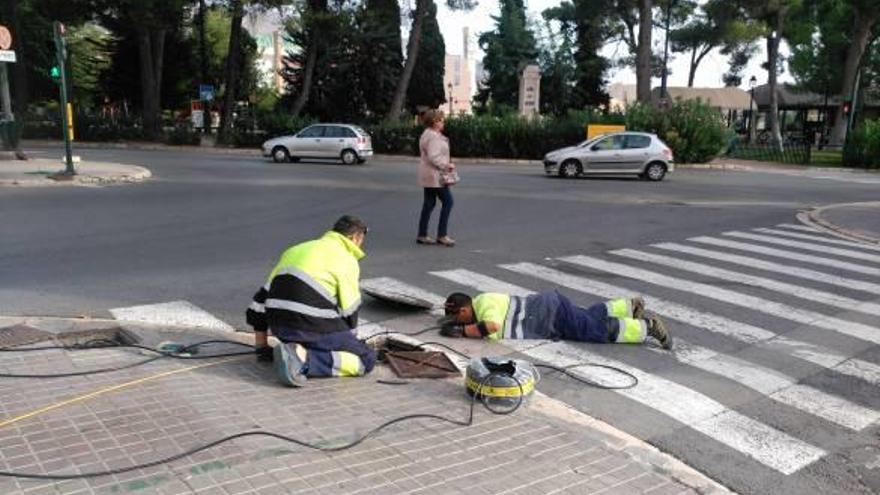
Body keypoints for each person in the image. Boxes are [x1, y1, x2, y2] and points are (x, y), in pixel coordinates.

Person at [246, 215, 376, 387]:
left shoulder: (295, 250)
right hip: (311, 328)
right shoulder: (346, 259)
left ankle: (294, 349)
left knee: (318, 335)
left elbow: (261, 299)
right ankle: (303, 360)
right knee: (366, 359)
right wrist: (351, 343)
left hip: (281, 326)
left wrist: (262, 347)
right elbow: (350, 311)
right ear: (355, 238)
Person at [440, 290, 673, 350]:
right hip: (550, 308)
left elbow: (491, 326)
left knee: (593, 329)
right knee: (588, 316)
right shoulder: (482, 301)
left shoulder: (484, 306)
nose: (460, 323)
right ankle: (629, 307)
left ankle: (647, 327)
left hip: (550, 317)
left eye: (458, 320)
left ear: (463, 311)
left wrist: (462, 332)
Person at [416, 109, 456, 247]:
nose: (443, 122)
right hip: (435, 175)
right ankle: (442, 235)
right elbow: (434, 156)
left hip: (428, 174)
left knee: (429, 204)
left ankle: (422, 234)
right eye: (441, 120)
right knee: (448, 202)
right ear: (435, 122)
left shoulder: (426, 134)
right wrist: (446, 165)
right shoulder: (433, 136)